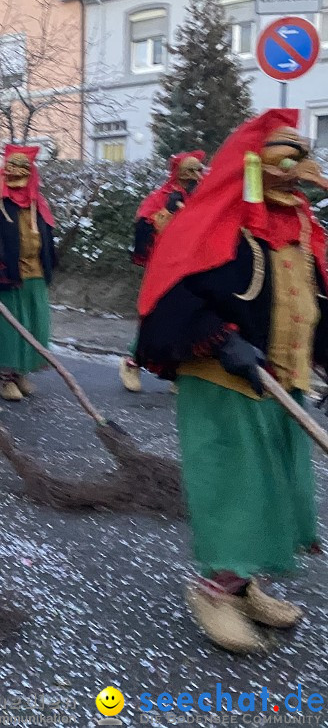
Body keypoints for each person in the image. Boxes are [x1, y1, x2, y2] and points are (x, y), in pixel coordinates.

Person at [137, 110, 325, 654]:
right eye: (284, 159)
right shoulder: (212, 225)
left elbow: (318, 299)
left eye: (302, 158)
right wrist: (221, 339)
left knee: (274, 489)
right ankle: (212, 591)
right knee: (238, 490)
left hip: (282, 378)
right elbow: (171, 300)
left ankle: (244, 585)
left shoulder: (301, 225)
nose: (298, 172)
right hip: (225, 379)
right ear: (252, 166)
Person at [120, 151, 206, 392]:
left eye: (200, 169)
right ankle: (132, 363)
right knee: (156, 316)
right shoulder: (161, 197)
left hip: (193, 267)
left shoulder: (202, 197)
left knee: (187, 318)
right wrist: (169, 212)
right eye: (192, 170)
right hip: (165, 266)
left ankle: (177, 371)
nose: (197, 175)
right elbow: (146, 226)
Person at [0, 145, 58, 402]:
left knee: (33, 325)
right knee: (9, 327)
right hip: (9, 277)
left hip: (34, 274)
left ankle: (22, 372)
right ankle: (6, 378)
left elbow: (48, 238)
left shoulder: (39, 205)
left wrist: (49, 266)